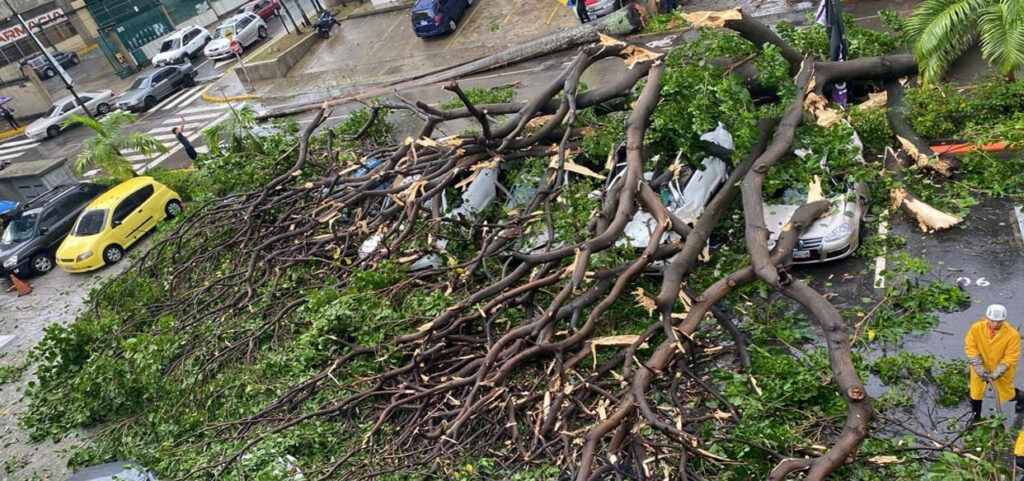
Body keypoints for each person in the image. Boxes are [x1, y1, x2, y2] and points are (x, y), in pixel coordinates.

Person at [965, 304, 1024, 421]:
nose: (995, 324)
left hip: (1001, 370)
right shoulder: (976, 328)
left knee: (1008, 394)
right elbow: (970, 346)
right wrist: (978, 365)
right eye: (993, 321)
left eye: (999, 322)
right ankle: (976, 418)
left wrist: (998, 372)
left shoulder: (1012, 335)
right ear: (987, 317)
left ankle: (1022, 398)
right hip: (980, 368)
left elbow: (1011, 356)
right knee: (975, 394)